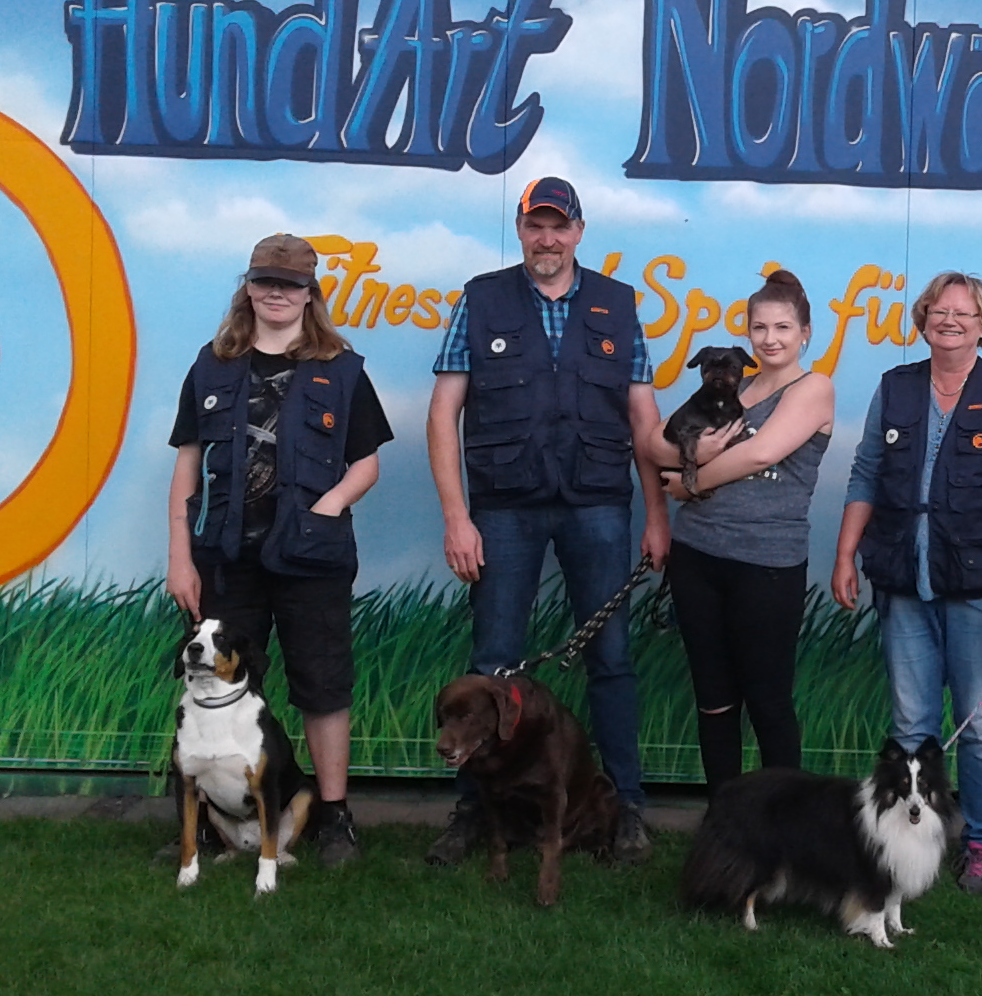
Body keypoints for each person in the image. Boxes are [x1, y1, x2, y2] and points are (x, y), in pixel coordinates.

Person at [424, 176, 669, 866]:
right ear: (521, 229)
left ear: (579, 232)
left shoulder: (618, 305)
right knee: (491, 666)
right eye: (537, 225)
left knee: (611, 661)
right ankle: (476, 811)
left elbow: (643, 420)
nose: (548, 239)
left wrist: (657, 515)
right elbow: (442, 415)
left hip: (598, 505)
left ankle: (625, 807)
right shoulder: (481, 300)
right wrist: (457, 518)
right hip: (503, 509)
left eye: (560, 226)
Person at [165, 232, 392, 866]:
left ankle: (335, 818)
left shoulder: (343, 369)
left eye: (291, 285)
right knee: (208, 680)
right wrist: (180, 556)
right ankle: (201, 822)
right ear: (248, 287)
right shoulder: (211, 365)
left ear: (309, 294)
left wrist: (327, 507)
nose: (277, 293)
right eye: (265, 281)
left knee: (323, 684)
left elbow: (366, 464)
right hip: (225, 557)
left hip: (311, 558)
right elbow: (187, 465)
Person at [832, 271, 982, 894]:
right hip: (904, 583)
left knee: (980, 728)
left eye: (963, 313)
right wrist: (845, 554)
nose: (949, 320)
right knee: (911, 725)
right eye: (939, 310)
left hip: (981, 589)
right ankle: (910, 843)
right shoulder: (895, 387)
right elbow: (865, 473)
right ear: (923, 319)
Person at [660, 269, 835, 792]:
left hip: (767, 564)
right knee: (713, 698)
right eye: (760, 328)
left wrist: (688, 481)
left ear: (805, 332)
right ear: (747, 334)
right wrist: (685, 456)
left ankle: (785, 825)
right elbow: (657, 441)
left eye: (783, 328)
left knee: (767, 699)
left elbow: (762, 452)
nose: (770, 338)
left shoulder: (814, 388)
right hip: (697, 554)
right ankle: (725, 816)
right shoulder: (730, 386)